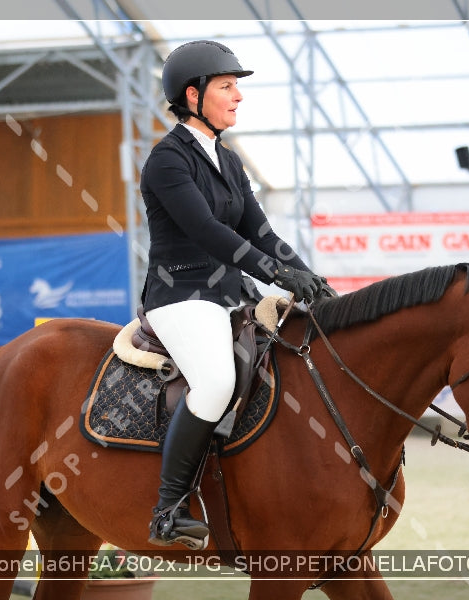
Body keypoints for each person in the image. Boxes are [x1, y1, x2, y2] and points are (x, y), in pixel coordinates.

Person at [140, 40, 331, 549]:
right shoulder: (166, 160)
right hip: (180, 296)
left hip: (230, 293)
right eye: (227, 86)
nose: (238, 96)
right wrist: (273, 272)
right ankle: (169, 507)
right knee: (217, 380)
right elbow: (205, 230)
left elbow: (262, 232)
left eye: (236, 86)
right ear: (193, 94)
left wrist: (310, 279)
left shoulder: (228, 160)